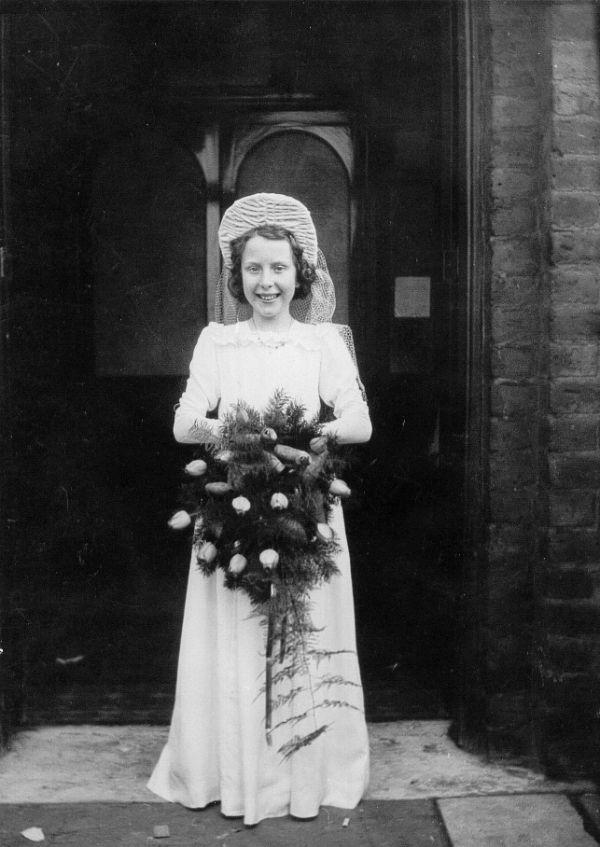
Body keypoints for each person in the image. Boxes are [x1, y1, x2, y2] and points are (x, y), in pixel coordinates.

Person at [148, 193, 372, 825]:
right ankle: (234, 772)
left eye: (278, 268)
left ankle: (304, 776)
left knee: (303, 630)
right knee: (236, 634)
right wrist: (240, 435)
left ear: (300, 272)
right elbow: (185, 424)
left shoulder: (322, 343)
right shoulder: (218, 343)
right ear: (236, 277)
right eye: (253, 270)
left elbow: (359, 421)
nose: (266, 282)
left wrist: (316, 436)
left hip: (303, 508)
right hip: (234, 509)